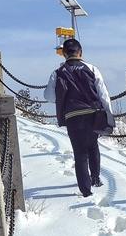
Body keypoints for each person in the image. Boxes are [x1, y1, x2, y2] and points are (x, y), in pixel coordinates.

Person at [44, 39, 113, 197]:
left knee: (80, 152)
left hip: (72, 116)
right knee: (93, 145)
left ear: (64, 54)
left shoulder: (58, 72)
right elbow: (103, 94)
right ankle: (95, 178)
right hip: (92, 113)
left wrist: (63, 97)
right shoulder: (92, 69)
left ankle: (86, 191)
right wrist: (109, 116)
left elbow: (48, 96)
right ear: (80, 52)